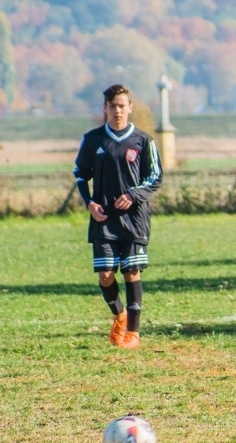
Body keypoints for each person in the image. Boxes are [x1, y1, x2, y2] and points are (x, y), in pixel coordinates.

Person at [73, 84, 163, 348]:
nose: (117, 110)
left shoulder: (143, 141)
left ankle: (133, 333)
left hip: (134, 220)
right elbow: (80, 174)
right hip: (103, 219)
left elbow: (155, 177)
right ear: (105, 109)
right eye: (112, 106)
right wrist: (89, 203)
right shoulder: (93, 140)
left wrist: (133, 195)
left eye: (122, 105)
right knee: (105, 274)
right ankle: (119, 316)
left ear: (130, 107)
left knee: (131, 271)